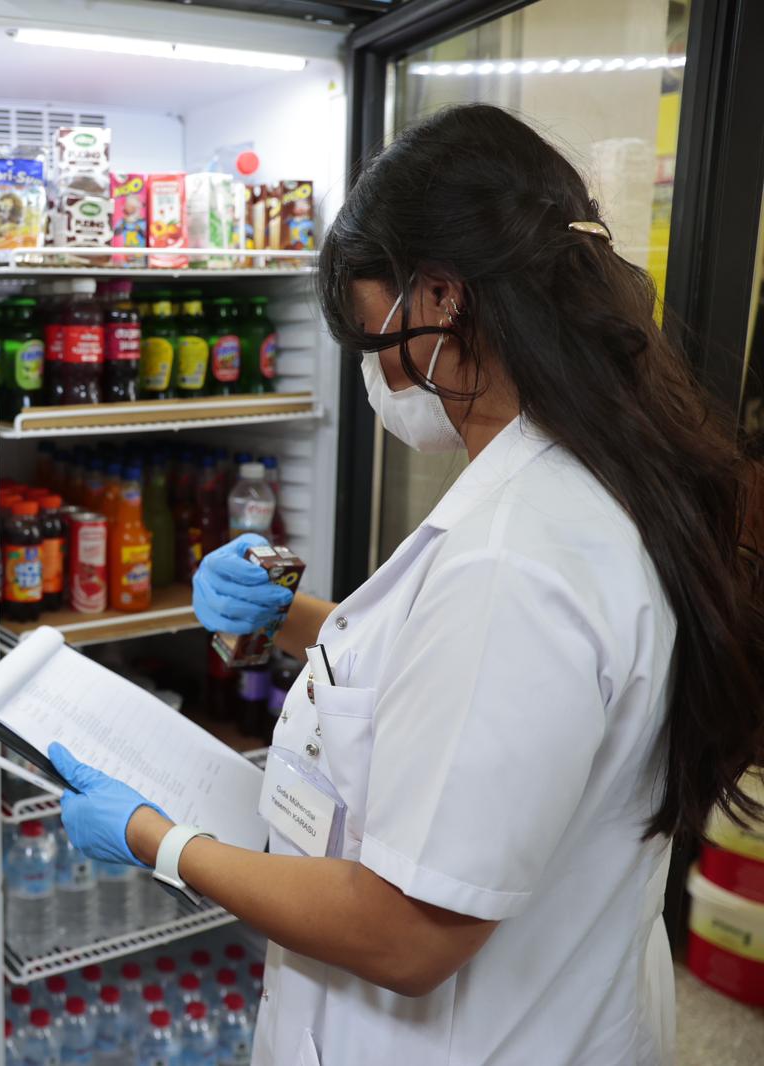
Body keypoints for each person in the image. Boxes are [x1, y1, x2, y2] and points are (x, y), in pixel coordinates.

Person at [50, 104, 764, 1065]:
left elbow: (406, 933)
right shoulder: (601, 473)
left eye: (367, 335)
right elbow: (480, 690)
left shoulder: (515, 556)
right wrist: (298, 621)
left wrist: (160, 841)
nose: (375, 374)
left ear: (440, 298)